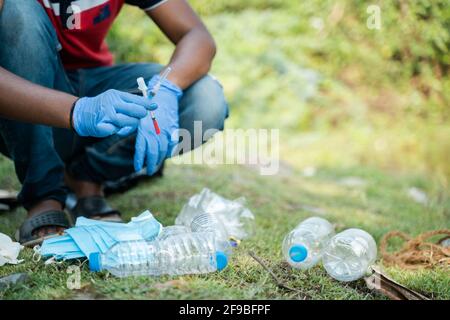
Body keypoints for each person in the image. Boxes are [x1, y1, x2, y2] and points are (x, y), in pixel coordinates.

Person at [0, 0, 228, 246]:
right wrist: (76, 110)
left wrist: (167, 88)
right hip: (21, 104)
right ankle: (43, 195)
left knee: (206, 99)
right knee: (18, 9)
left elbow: (196, 35)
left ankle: (85, 176)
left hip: (95, 86)